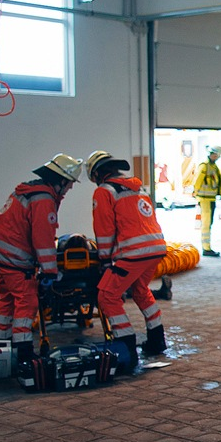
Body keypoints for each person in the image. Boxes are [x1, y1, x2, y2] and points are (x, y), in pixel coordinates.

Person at [0, 154, 83, 361]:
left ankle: (2, 347)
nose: (70, 188)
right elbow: (43, 240)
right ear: (61, 180)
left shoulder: (29, 191)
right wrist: (50, 271)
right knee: (27, 301)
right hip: (13, 259)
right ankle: (24, 353)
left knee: (7, 300)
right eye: (70, 184)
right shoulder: (43, 199)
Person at [87, 151, 169, 368]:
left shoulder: (104, 192)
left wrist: (104, 260)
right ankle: (157, 339)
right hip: (156, 248)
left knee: (107, 295)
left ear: (97, 173)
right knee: (141, 290)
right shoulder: (137, 188)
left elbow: (104, 229)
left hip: (133, 254)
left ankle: (126, 348)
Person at [193, 145, 221, 257]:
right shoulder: (205, 166)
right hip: (205, 198)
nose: (216, 156)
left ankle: (207, 247)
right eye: (215, 154)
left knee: (209, 223)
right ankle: (206, 248)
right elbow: (197, 180)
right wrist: (196, 193)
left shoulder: (213, 166)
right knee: (206, 223)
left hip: (211, 198)